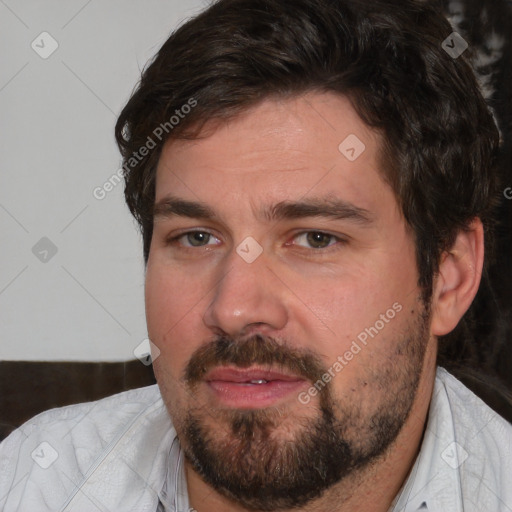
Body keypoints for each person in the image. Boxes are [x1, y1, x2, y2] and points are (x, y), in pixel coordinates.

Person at [1, 0, 511, 510]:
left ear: (449, 276)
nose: (233, 308)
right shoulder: (32, 481)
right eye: (196, 237)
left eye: (315, 239)